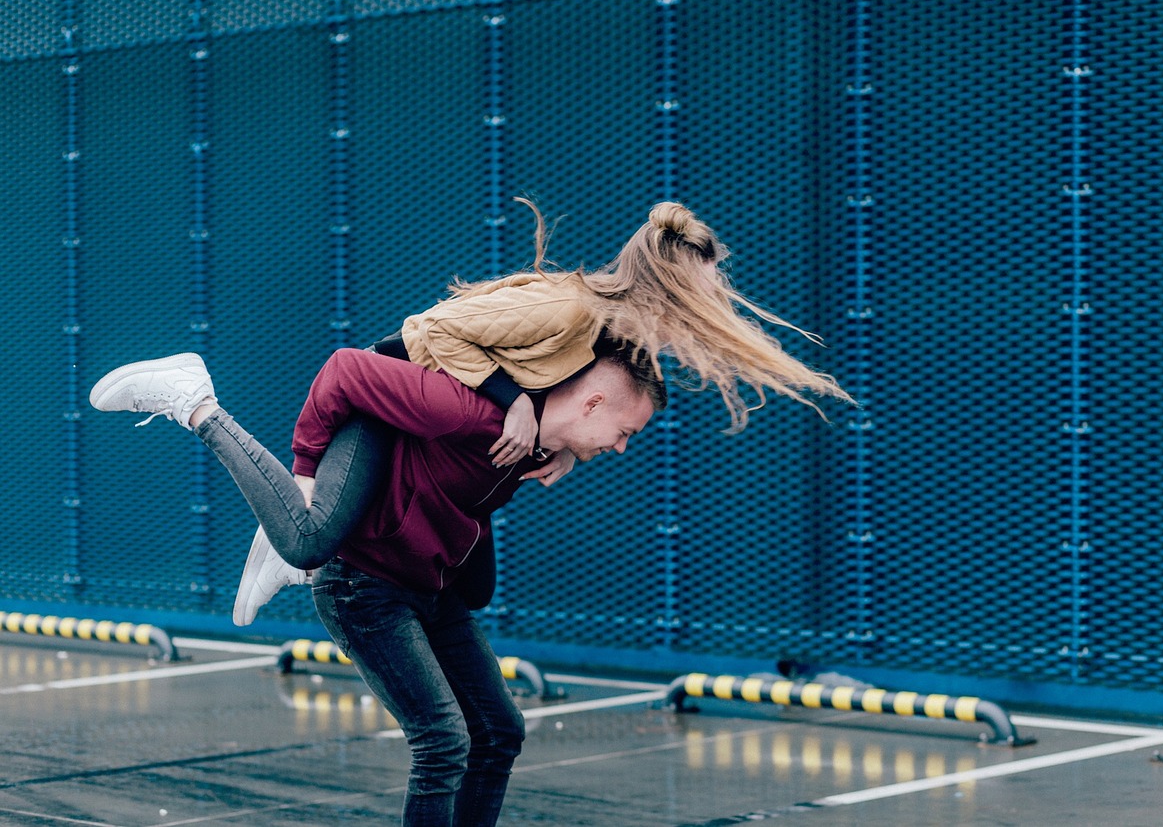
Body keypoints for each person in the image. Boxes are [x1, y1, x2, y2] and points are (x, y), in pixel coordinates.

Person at [90, 343, 666, 826]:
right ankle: (199, 407)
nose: (620, 447)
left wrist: (561, 446)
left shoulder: (536, 440)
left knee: (499, 729)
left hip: (427, 585)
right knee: (442, 740)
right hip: (363, 585)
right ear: (592, 402)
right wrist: (306, 481)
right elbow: (346, 367)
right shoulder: (470, 413)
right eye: (623, 432)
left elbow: (587, 381)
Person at [227, 199, 857, 624]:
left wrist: (559, 445)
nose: (716, 301)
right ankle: (266, 501)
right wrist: (511, 402)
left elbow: (575, 403)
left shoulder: (612, 337)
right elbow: (429, 330)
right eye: (710, 288)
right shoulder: (574, 309)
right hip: (388, 392)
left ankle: (291, 545)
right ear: (672, 284)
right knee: (312, 536)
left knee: (467, 589)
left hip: (440, 412)